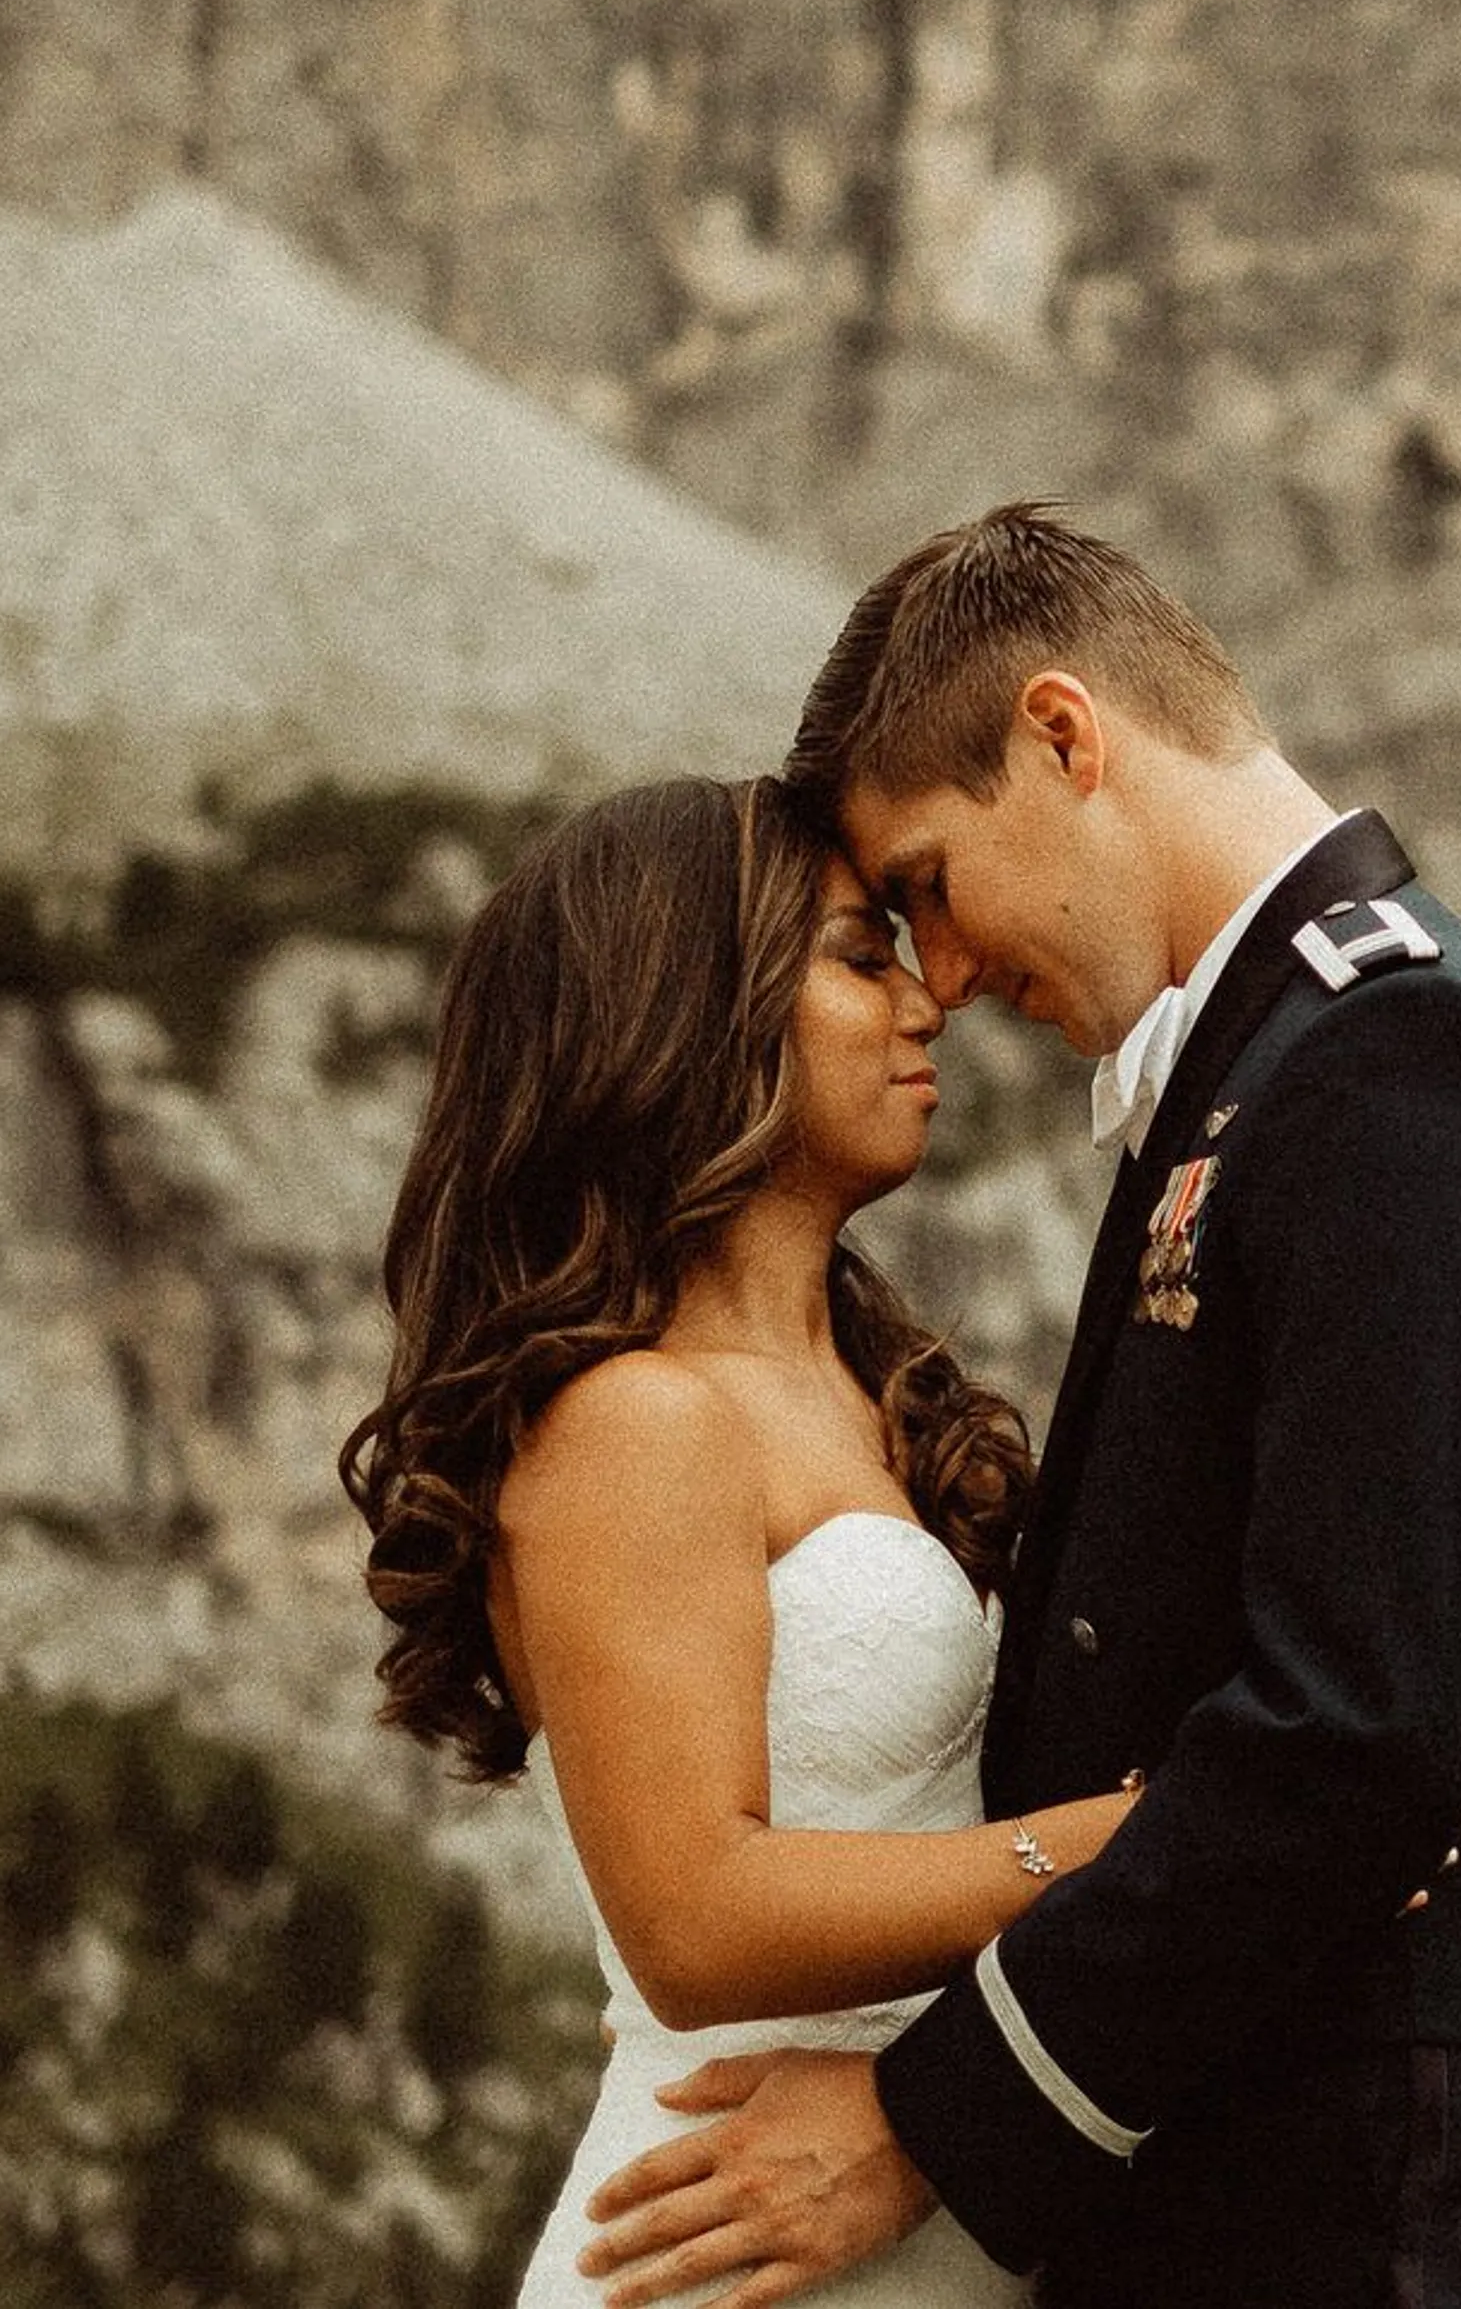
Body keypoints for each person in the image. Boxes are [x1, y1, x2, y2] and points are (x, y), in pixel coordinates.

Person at [576, 503, 1461, 2307]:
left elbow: (1363, 1728)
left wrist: (934, 2122)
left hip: (1371, 2207)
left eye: (926, 883)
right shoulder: (1277, 1067)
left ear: (1065, 738)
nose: (939, 975)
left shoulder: (1413, 1068)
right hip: (1253, 2178)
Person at [340, 774, 1145, 2308]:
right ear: (687, 1014)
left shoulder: (876, 1394)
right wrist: (1135, 1850)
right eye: (858, 955)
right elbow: (695, 1923)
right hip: (715, 2248)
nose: (928, 1000)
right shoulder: (635, 1420)